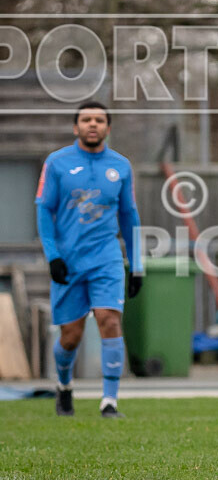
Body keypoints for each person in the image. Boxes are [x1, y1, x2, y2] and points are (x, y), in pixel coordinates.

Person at [35, 101, 143, 418]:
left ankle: (109, 401)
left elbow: (129, 216)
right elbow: (43, 209)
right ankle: (64, 386)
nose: (92, 124)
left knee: (110, 320)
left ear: (108, 128)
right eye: (86, 120)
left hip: (106, 258)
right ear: (75, 127)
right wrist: (53, 256)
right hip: (68, 260)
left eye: (98, 120)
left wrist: (136, 265)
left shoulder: (120, 166)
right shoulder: (57, 163)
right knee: (71, 336)